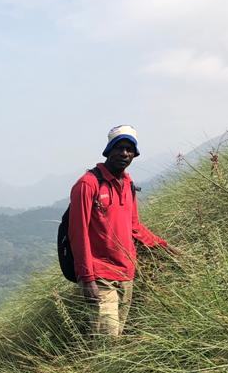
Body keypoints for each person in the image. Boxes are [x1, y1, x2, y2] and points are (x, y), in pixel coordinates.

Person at [68, 125, 178, 338]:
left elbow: (135, 227)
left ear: (135, 154)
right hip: (100, 276)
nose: (124, 153)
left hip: (126, 274)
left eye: (129, 149)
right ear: (108, 150)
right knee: (105, 341)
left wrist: (164, 247)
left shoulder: (128, 184)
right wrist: (87, 278)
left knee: (115, 337)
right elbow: (78, 234)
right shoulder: (88, 184)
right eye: (119, 147)